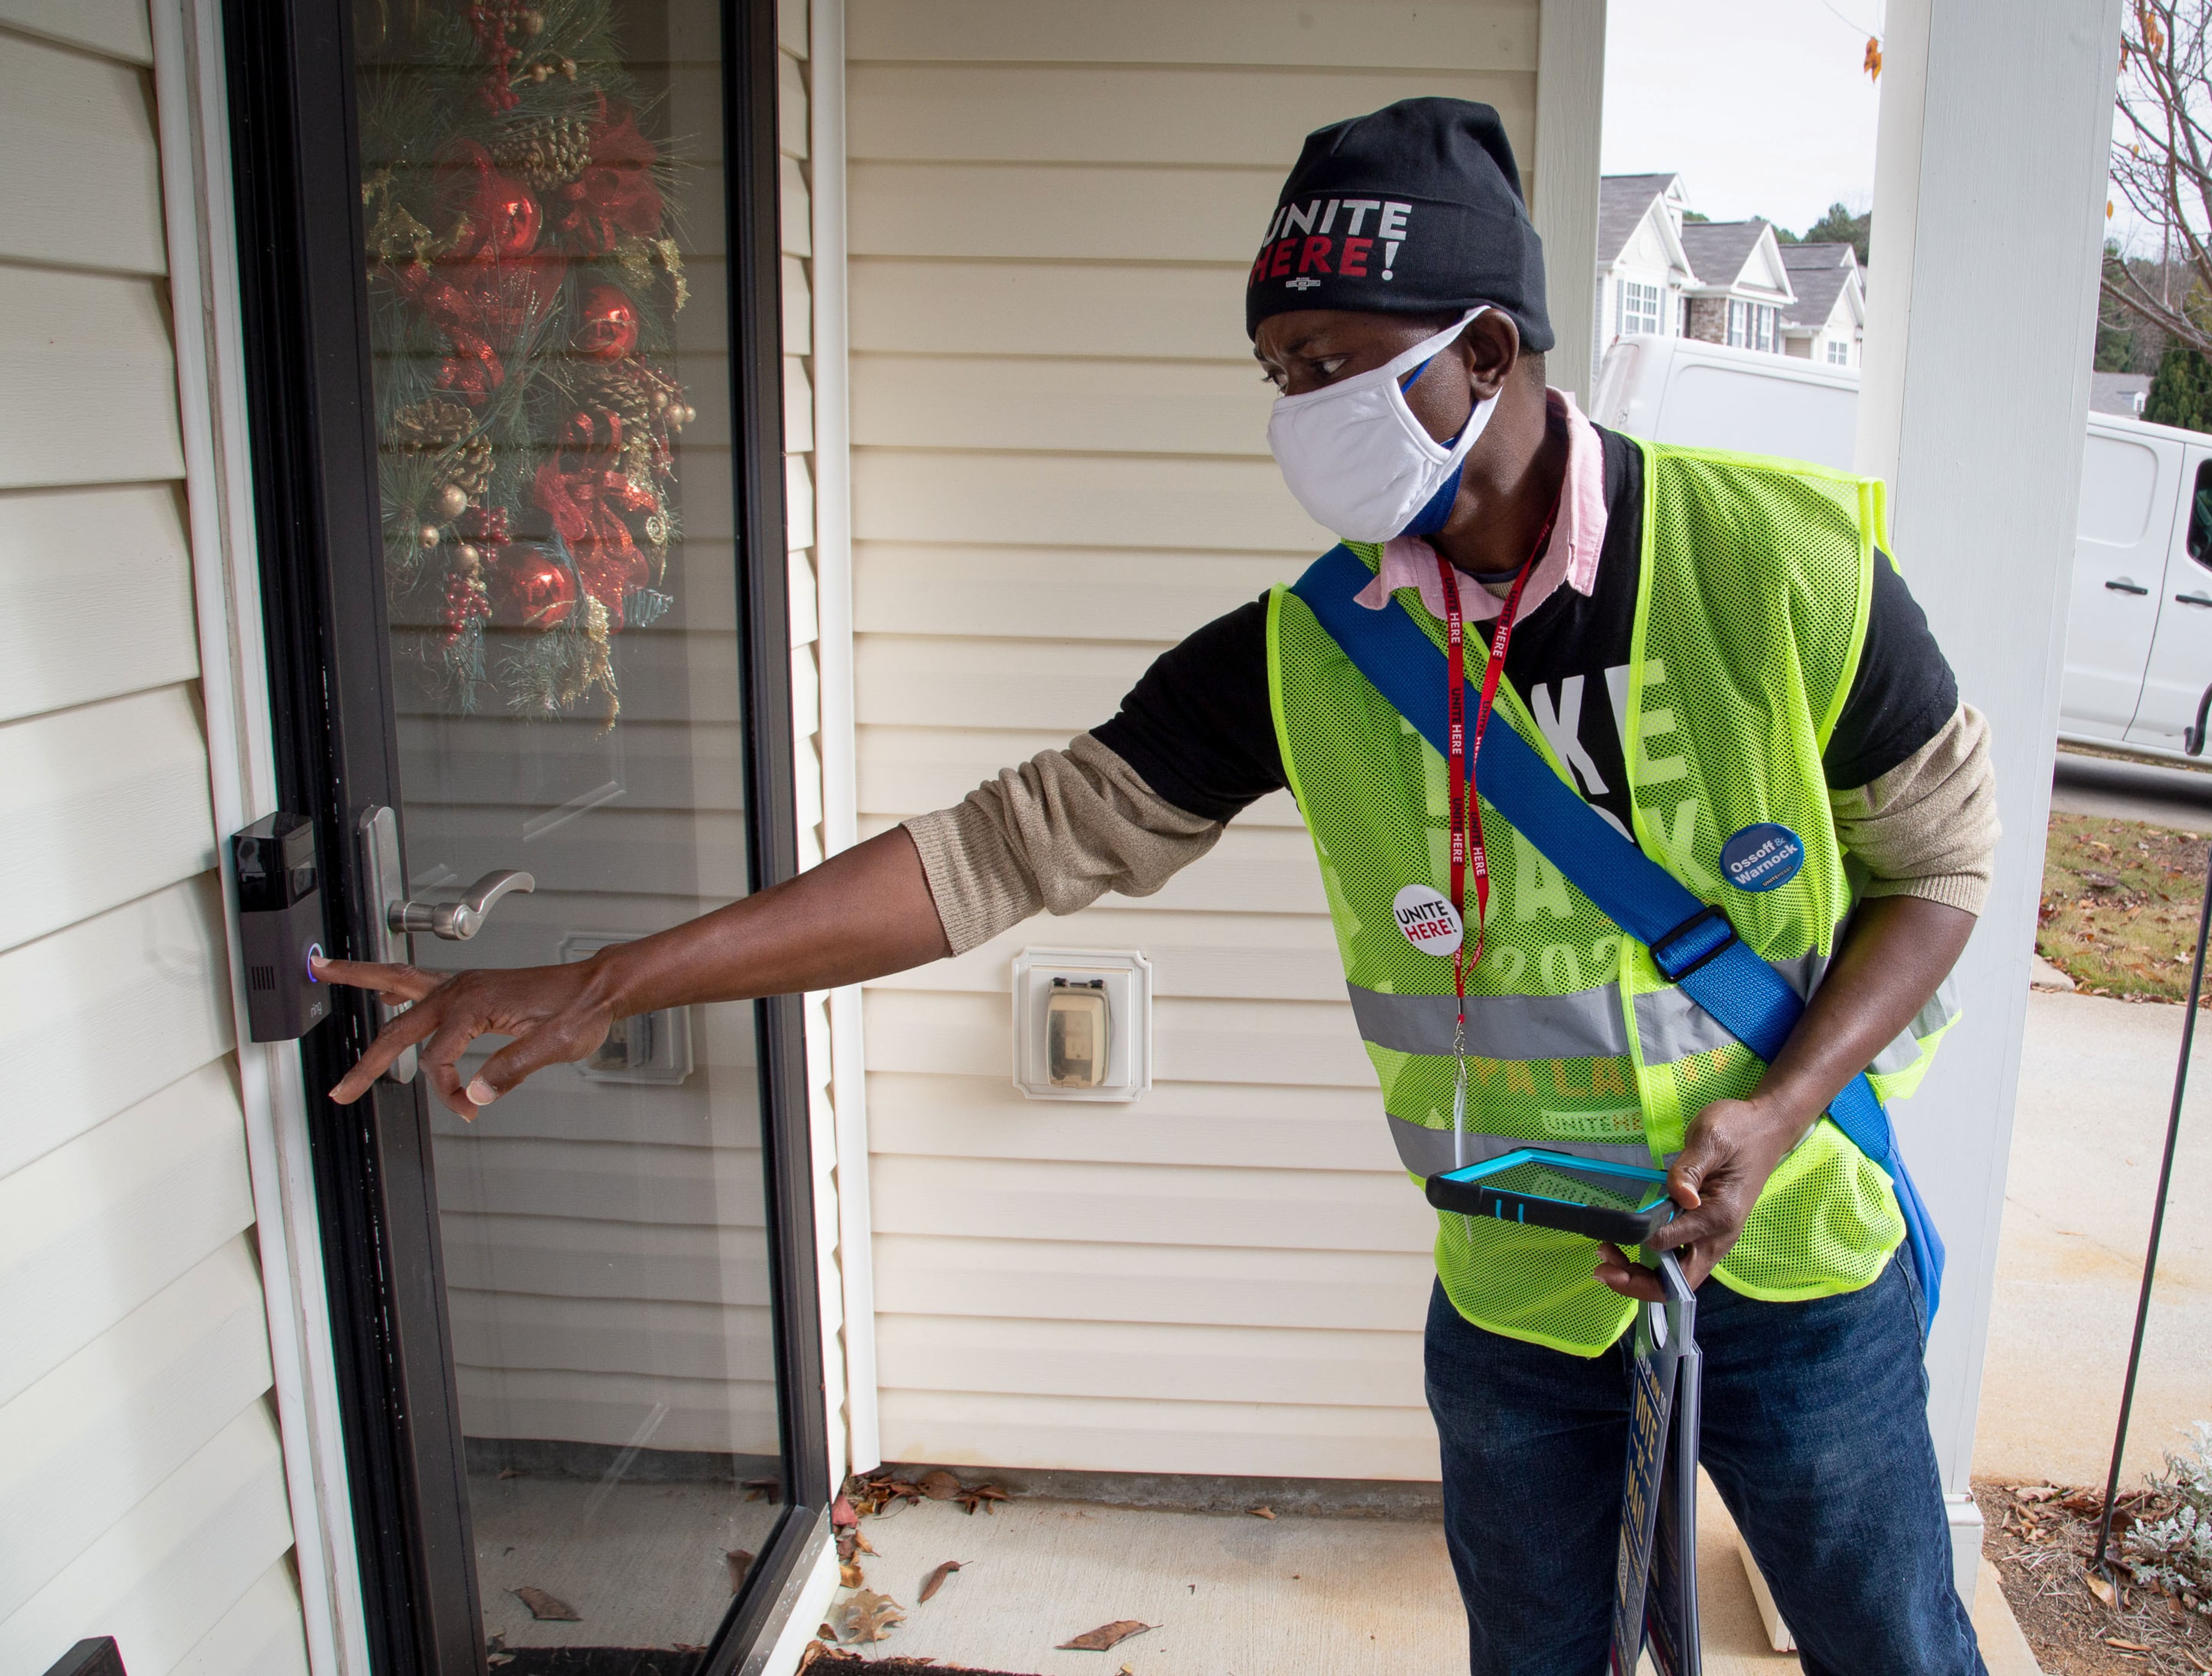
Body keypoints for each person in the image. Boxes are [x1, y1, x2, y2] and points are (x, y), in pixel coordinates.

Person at [322, 98, 2001, 1675]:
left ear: (1484, 353)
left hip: (1798, 1277)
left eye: (1336, 366)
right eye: (1280, 373)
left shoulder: (1779, 569)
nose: (1298, 415)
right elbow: (999, 848)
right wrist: (611, 977)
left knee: (1894, 1649)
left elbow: (1941, 869)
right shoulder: (1316, 653)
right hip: (1522, 1300)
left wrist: (1781, 1108)